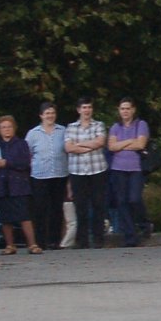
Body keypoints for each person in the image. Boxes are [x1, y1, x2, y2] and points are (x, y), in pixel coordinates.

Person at [0, 115, 40, 254]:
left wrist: (7, 163)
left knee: (24, 216)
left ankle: (32, 244)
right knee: (5, 218)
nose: (6, 130)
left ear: (14, 128)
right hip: (2, 185)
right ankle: (10, 245)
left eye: (9, 127)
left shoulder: (21, 144)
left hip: (19, 185)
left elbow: (25, 163)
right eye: (3, 127)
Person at [65, 98, 109, 249]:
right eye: (84, 107)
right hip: (77, 171)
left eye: (89, 107)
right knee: (80, 206)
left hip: (97, 169)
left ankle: (98, 238)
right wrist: (89, 146)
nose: (87, 110)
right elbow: (69, 148)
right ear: (78, 110)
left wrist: (78, 145)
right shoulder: (71, 127)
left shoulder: (99, 125)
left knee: (98, 204)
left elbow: (100, 142)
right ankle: (81, 240)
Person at [106, 98, 149, 247]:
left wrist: (121, 145)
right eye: (122, 108)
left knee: (134, 199)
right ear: (119, 110)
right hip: (118, 169)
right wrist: (130, 141)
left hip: (135, 168)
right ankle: (130, 236)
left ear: (133, 110)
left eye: (127, 108)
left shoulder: (141, 125)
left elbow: (141, 144)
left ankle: (144, 223)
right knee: (122, 202)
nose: (125, 111)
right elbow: (111, 147)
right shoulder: (115, 127)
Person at [26, 102, 69, 249]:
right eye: (47, 113)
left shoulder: (63, 131)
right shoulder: (33, 133)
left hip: (59, 174)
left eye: (52, 112)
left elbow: (67, 151)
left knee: (57, 208)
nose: (50, 115)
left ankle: (54, 240)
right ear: (41, 115)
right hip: (39, 176)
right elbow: (28, 153)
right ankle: (40, 241)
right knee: (40, 209)